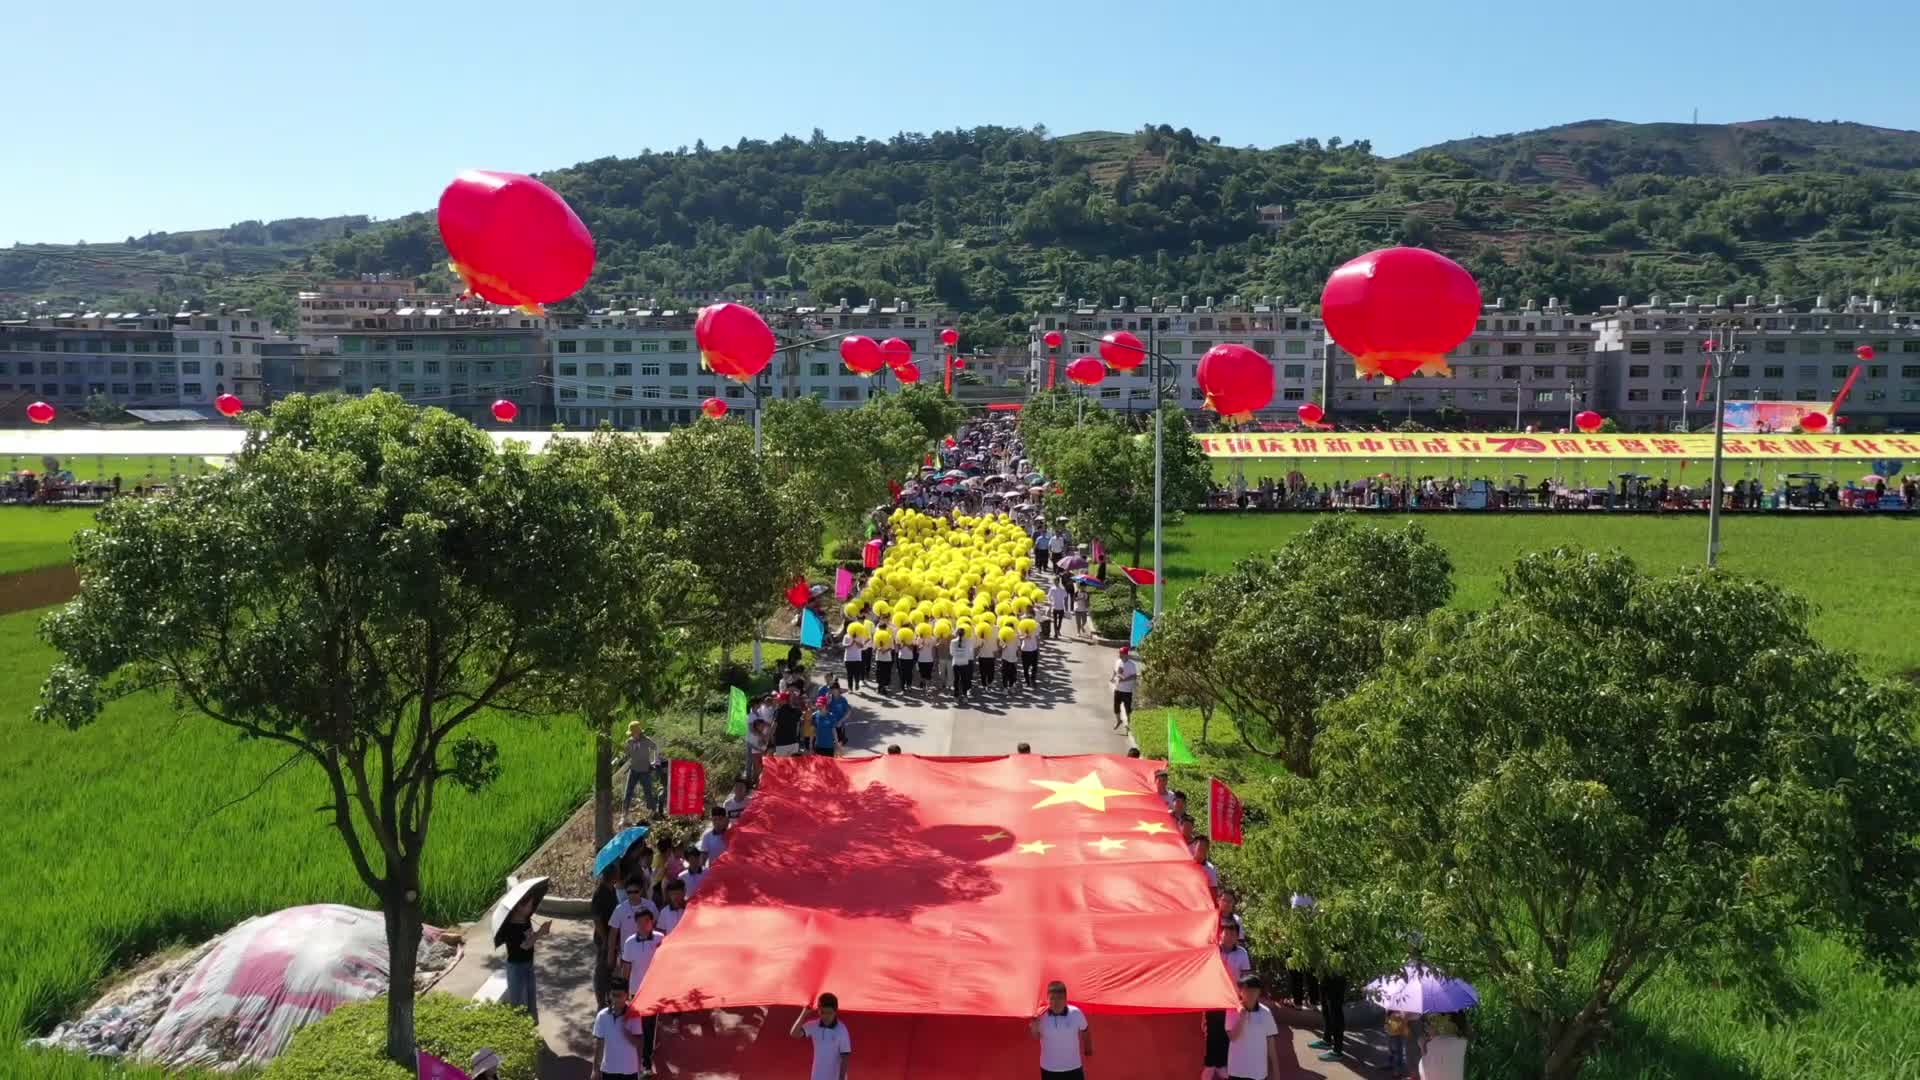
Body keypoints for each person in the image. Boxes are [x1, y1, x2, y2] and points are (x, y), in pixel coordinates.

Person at [618, 909, 663, 1073]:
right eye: (639, 922)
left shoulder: (660, 939)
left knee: (650, 1025)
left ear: (652, 922)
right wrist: (623, 989)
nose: (643, 925)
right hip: (636, 991)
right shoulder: (629, 942)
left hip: (654, 990)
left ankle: (647, 1062)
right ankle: (643, 1057)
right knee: (639, 1026)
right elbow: (626, 968)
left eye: (646, 921)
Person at [494, 891, 550, 1022]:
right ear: (519, 906)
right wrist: (540, 933)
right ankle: (520, 1030)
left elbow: (529, 939)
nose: (531, 908)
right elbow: (524, 945)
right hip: (516, 967)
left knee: (530, 996)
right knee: (519, 1001)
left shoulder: (526, 919)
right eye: (528, 905)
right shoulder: (510, 926)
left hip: (528, 963)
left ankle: (531, 1025)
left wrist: (539, 932)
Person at [1225, 974, 1286, 1080]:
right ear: (1240, 991)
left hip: (1258, 1071)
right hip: (1237, 1070)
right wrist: (1242, 1017)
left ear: (1259, 992)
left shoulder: (1265, 1012)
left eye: (1254, 990)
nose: (1250, 993)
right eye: (1246, 990)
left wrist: (1276, 1073)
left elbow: (1271, 1045)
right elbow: (1233, 1037)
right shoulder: (1231, 1011)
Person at [1031, 980, 1092, 1079]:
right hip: (1049, 1069)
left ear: (1065, 999)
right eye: (1052, 998)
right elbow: (1036, 1036)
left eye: (1060, 998)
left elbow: (1085, 1030)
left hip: (1073, 1067)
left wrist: (1088, 1048)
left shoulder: (1076, 1013)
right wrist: (1034, 1026)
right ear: (1048, 999)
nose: (1056, 1002)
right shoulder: (1040, 1015)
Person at [592, 985, 649, 1080]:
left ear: (626, 996)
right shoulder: (602, 1016)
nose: (616, 999)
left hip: (629, 1069)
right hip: (609, 1069)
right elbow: (599, 1044)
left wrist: (627, 1033)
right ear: (610, 995)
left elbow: (639, 1044)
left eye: (619, 995)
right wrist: (595, 1069)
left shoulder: (634, 1016)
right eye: (614, 995)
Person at [790, 992, 852, 1080]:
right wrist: (804, 1014)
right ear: (818, 1010)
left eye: (829, 1013)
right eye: (822, 1012)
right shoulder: (814, 1026)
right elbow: (794, 1033)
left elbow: (845, 1057)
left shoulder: (841, 1030)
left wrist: (841, 1078)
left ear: (835, 1011)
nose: (825, 1016)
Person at [590, 865, 621, 1009]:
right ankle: (601, 1001)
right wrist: (605, 940)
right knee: (602, 970)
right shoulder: (599, 893)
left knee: (610, 969)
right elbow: (597, 919)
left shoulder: (612, 890)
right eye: (616, 873)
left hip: (612, 937)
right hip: (604, 939)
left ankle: (608, 998)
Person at [624, 720, 662, 816]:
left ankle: (654, 811)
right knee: (628, 792)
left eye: (633, 733)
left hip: (644, 770)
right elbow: (628, 753)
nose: (632, 735)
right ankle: (624, 814)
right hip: (633, 769)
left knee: (648, 792)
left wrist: (655, 761)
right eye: (631, 733)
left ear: (638, 732)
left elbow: (655, 748)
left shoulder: (646, 741)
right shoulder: (629, 742)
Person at [1419, 1010, 1470, 1080]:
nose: (1435, 1023)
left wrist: (1422, 1047)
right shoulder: (1463, 1041)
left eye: (1437, 1018)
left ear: (1448, 1019)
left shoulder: (1435, 1044)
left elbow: (1425, 1071)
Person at [1110, 646, 1140, 732]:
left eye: (1121, 653)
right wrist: (1112, 677)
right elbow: (1115, 671)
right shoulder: (1118, 661)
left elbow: (1134, 676)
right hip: (1118, 689)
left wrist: (1124, 680)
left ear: (1126, 654)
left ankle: (1128, 724)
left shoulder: (1132, 665)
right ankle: (1119, 720)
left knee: (1128, 708)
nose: (1120, 654)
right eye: (1119, 653)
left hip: (1127, 691)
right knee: (1116, 707)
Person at [773, 691, 803, 756]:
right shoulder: (796, 711)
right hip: (794, 742)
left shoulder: (778, 711)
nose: (778, 701)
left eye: (779, 699)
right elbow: (799, 725)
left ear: (784, 700)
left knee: (782, 764)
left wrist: (770, 737)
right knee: (792, 764)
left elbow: (774, 726)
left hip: (781, 742)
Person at [950, 626, 975, 704]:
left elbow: (951, 653)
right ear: (964, 634)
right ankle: (965, 696)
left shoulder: (953, 641)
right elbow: (970, 653)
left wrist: (958, 654)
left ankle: (956, 697)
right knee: (964, 680)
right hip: (965, 663)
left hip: (956, 663)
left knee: (956, 680)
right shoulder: (968, 641)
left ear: (957, 633)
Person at [1386, 1009, 1413, 1078]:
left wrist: (1400, 1015)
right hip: (1390, 1032)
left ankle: (1398, 1073)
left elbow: (1404, 1020)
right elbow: (1388, 1018)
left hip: (1397, 1034)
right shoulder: (1391, 1006)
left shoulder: (1402, 1009)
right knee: (1391, 1051)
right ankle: (1390, 1065)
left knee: (1398, 1055)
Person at [840, 624, 866, 692]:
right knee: (849, 674)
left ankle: (857, 683)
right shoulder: (846, 636)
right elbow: (844, 646)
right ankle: (850, 688)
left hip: (857, 658)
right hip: (848, 658)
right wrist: (851, 644)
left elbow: (862, 646)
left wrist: (856, 641)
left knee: (857, 673)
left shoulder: (860, 636)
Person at [1017, 622, 1040, 686]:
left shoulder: (1035, 626)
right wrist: (1025, 636)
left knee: (1027, 666)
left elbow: (1018, 637)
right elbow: (1037, 638)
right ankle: (1031, 680)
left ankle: (1029, 681)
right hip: (1031, 649)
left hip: (1028, 649)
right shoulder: (1035, 626)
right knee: (1031, 666)